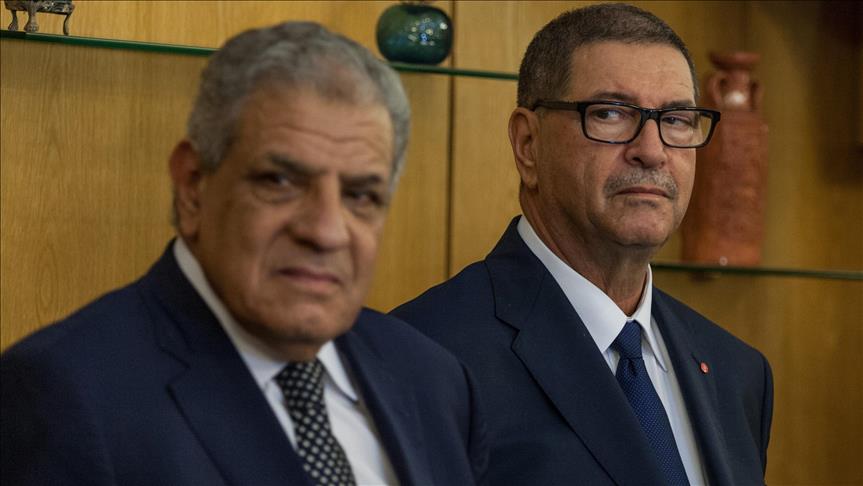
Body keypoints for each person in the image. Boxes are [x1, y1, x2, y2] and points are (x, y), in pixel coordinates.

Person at [2, 22, 487, 486]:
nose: (326, 231)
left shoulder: (433, 379)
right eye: (281, 181)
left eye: (361, 195)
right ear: (193, 187)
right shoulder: (64, 395)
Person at [392, 4, 772, 486]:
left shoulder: (738, 372)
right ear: (528, 144)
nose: (652, 151)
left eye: (676, 119)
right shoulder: (421, 359)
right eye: (610, 113)